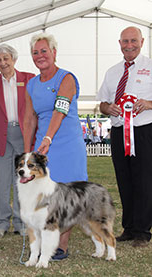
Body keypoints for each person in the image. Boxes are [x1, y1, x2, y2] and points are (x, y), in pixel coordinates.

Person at [24, 33, 88, 260]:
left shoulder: (66, 78)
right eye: (35, 52)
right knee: (44, 197)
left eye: (44, 51)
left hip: (67, 144)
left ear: (54, 52)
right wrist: (27, 152)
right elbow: (29, 119)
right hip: (43, 149)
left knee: (69, 195)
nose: (40, 56)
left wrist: (48, 138)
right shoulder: (31, 84)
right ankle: (45, 242)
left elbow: (60, 110)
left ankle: (61, 245)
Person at [97, 26, 152, 248]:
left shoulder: (150, 66)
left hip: (144, 130)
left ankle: (142, 231)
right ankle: (128, 228)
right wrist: (107, 108)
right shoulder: (112, 71)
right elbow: (101, 103)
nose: (129, 45)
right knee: (124, 180)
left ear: (142, 41)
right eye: (125, 41)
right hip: (119, 131)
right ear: (119, 43)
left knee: (145, 181)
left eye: (133, 41)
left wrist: (149, 104)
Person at [0, 44, 35, 238]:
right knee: (1, 182)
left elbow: (35, 110)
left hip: (24, 136)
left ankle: (21, 222)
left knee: (23, 181)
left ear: (14, 59)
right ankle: (1, 223)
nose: (2, 63)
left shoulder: (29, 79)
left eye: (5, 59)